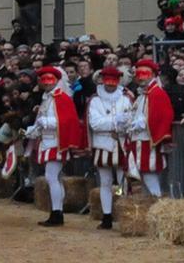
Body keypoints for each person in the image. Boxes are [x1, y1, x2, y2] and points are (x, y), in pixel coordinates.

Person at [27, 66, 85, 227]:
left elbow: (66, 121)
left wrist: (44, 123)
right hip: (47, 141)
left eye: (49, 79)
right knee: (55, 178)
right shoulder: (47, 98)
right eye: (43, 80)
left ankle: (57, 213)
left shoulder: (62, 98)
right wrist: (33, 130)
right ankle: (56, 211)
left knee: (51, 177)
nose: (46, 83)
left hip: (57, 142)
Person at [87, 66, 131, 230]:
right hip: (102, 145)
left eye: (114, 81)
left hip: (121, 145)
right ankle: (106, 216)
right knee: (105, 182)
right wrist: (115, 122)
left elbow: (129, 120)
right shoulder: (95, 101)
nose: (111, 85)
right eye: (108, 81)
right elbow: (95, 124)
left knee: (123, 182)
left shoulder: (125, 99)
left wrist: (117, 125)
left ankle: (124, 214)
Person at [127, 59, 173, 197]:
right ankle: (150, 203)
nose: (141, 77)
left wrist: (143, 123)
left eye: (145, 74)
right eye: (139, 74)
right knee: (142, 174)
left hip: (149, 141)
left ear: (153, 74)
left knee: (148, 172)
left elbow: (163, 115)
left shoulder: (157, 93)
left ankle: (157, 201)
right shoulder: (142, 95)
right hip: (138, 140)